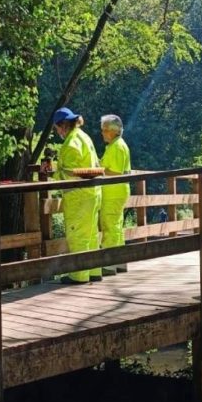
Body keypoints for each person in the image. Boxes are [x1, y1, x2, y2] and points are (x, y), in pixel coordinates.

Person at [50, 107, 101, 284]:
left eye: (57, 129)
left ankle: (79, 276)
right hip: (93, 192)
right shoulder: (84, 136)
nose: (58, 133)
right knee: (91, 234)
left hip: (78, 196)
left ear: (62, 125)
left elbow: (71, 173)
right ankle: (94, 271)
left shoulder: (70, 144)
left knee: (77, 235)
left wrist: (53, 174)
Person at [99, 115, 131, 267]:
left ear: (114, 131)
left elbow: (116, 172)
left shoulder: (116, 147)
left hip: (113, 192)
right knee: (116, 226)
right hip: (118, 191)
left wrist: (99, 170)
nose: (102, 133)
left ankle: (109, 264)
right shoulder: (117, 145)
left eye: (105, 130)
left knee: (109, 226)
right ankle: (119, 262)